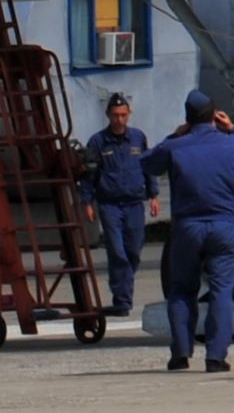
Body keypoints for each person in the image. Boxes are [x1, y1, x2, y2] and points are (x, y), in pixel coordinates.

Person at [139, 90, 234, 374]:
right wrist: (233, 127)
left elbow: (147, 162)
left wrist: (175, 136)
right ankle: (216, 356)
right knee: (222, 291)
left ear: (187, 118)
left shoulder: (177, 146)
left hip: (187, 227)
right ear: (214, 116)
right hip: (223, 226)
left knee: (182, 290)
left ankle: (181, 353)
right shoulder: (233, 144)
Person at [80, 92, 161, 316]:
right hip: (110, 205)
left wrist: (153, 195)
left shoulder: (138, 138)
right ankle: (122, 300)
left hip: (135, 203)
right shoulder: (97, 142)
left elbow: (148, 167)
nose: (119, 120)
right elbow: (89, 175)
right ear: (108, 115)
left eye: (123, 115)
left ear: (129, 114)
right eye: (115, 115)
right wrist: (87, 201)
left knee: (133, 251)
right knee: (117, 252)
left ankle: (124, 288)